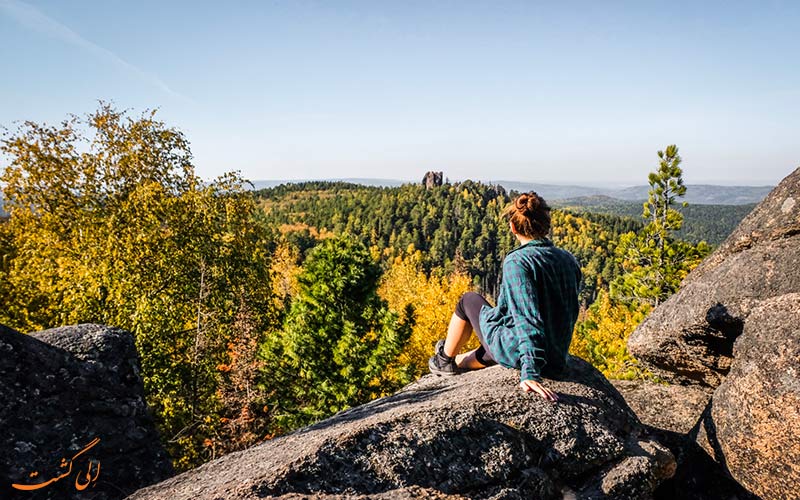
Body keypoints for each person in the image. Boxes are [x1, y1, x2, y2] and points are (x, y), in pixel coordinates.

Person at [428, 191, 582, 402]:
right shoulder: (568, 259)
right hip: (555, 357)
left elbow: (528, 320)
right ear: (546, 225)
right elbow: (567, 312)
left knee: (469, 300)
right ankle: (454, 360)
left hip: (525, 352)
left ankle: (444, 358)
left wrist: (530, 373)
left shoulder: (518, 262)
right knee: (477, 355)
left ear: (513, 227)